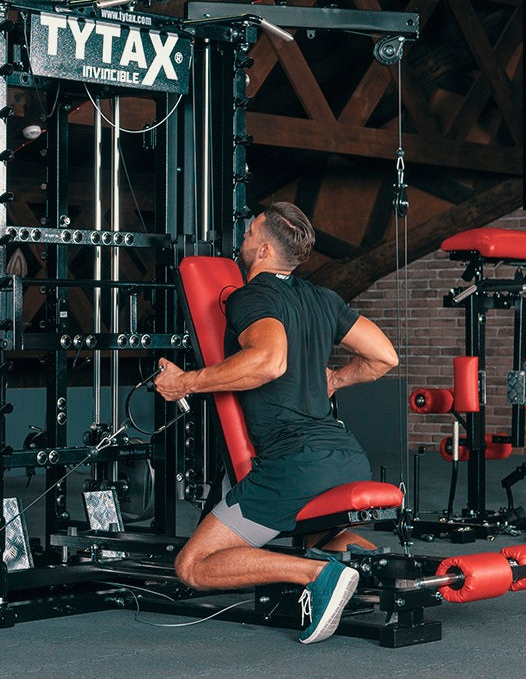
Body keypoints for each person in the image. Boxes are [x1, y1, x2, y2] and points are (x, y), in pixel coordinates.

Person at [154, 201, 398, 644]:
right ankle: (384, 573)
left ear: (263, 250)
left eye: (249, 233)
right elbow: (385, 356)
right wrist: (335, 379)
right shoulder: (324, 298)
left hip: (294, 467)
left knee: (193, 565)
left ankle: (316, 576)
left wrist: (185, 382)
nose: (242, 238)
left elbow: (268, 362)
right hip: (347, 457)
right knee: (325, 537)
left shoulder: (252, 296)